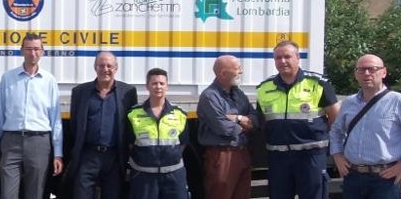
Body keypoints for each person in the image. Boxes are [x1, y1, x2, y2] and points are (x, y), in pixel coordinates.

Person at [329, 54, 401, 199]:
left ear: (383, 72)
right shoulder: (348, 103)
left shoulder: (399, 101)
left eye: (372, 69)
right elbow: (336, 132)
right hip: (353, 177)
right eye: (361, 70)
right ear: (355, 74)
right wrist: (337, 156)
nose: (367, 73)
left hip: (384, 179)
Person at [256, 41, 340, 199]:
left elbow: (336, 117)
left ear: (297, 57)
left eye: (287, 56)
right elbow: (263, 121)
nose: (282, 61)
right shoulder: (264, 88)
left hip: (310, 155)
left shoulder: (317, 84)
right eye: (278, 58)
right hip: (278, 157)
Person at [0, 33, 63, 199]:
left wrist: (58, 153)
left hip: (39, 142)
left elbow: (56, 119)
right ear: (22, 51)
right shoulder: (8, 78)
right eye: (29, 49)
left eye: (37, 49)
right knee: (7, 195)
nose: (33, 53)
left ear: (42, 51)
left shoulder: (49, 80)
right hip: (11, 142)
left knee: (35, 194)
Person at [64, 51, 138, 199]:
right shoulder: (80, 92)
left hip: (114, 157)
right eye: (101, 65)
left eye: (109, 66)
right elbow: (75, 124)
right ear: (95, 68)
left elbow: (131, 126)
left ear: (116, 68)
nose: (105, 69)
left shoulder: (128, 92)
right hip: (87, 156)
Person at [197, 55, 257, 199]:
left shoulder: (239, 94)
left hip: (242, 153)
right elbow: (225, 129)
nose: (241, 72)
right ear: (223, 73)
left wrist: (237, 118)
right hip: (222, 156)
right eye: (237, 69)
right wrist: (244, 123)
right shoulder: (210, 97)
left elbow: (254, 119)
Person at [126, 68, 189, 199]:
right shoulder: (134, 114)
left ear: (167, 86)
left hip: (174, 176)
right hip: (144, 176)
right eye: (154, 83)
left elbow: (183, 143)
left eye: (162, 83)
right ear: (147, 86)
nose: (158, 87)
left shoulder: (179, 114)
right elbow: (129, 143)